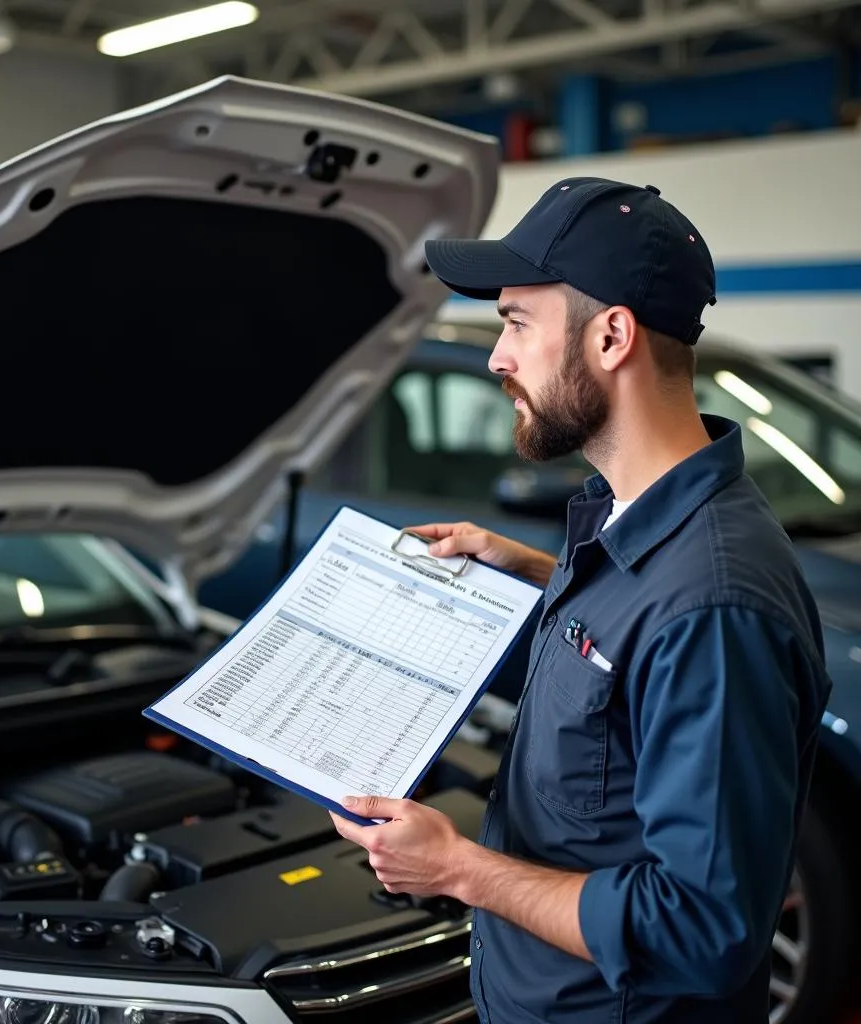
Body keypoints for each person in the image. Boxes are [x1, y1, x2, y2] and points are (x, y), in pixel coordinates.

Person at [328, 176, 833, 1023]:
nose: (498, 357)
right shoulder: (629, 524)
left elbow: (704, 930)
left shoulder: (711, 604)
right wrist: (541, 577)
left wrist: (458, 870)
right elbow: (622, 704)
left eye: (517, 323)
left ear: (610, 337)